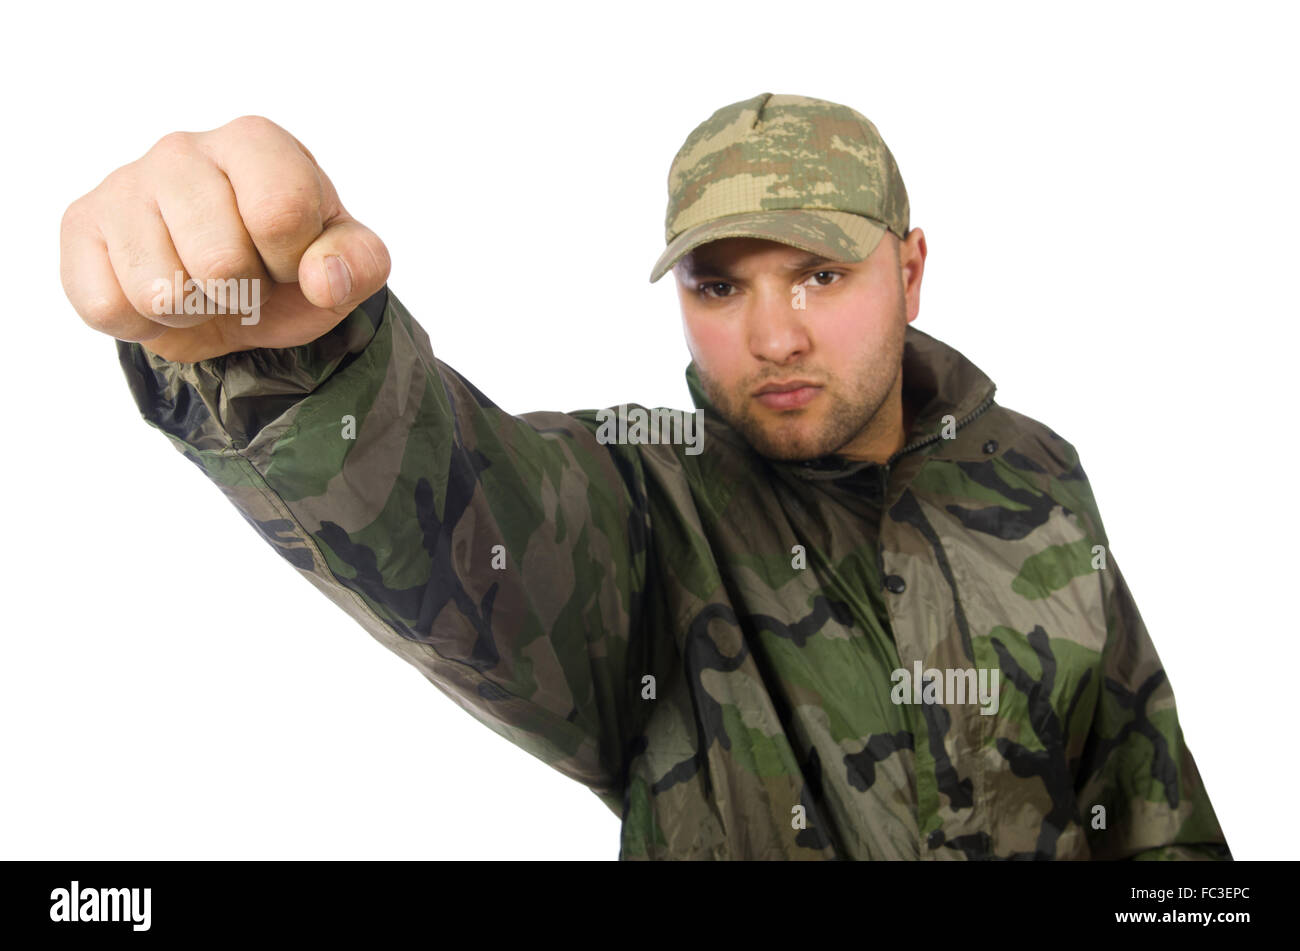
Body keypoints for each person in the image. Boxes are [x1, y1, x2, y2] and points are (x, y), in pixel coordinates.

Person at [59, 92, 1231, 860]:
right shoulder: (641, 500)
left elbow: (1150, 810)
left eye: (819, 273)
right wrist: (294, 354)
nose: (771, 336)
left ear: (910, 270)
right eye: (719, 285)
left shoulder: (1033, 472)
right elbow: (460, 517)